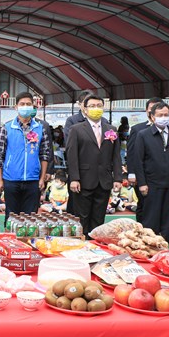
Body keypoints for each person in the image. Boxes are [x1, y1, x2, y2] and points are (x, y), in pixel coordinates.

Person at [65, 94, 122, 234]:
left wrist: (118, 178)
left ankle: (96, 247)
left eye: (99, 106)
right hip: (83, 180)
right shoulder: (77, 129)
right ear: (85, 109)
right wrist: (74, 178)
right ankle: (82, 247)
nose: (96, 108)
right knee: (82, 217)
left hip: (104, 180)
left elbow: (116, 156)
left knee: (99, 218)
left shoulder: (111, 130)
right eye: (92, 106)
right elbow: (72, 156)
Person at [0, 92, 51, 225]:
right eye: (22, 104)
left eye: (28, 104)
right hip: (11, 179)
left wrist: (42, 178)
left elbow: (45, 154)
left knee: (30, 218)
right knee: (11, 217)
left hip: (33, 179)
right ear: (16, 107)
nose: (25, 107)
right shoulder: (7, 127)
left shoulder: (40, 128)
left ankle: (28, 243)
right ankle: (10, 243)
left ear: (33, 107)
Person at [133, 102, 169, 241]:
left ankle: (163, 246)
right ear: (152, 116)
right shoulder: (143, 135)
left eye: (166, 115)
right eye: (160, 115)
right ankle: (149, 244)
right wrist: (142, 183)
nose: (164, 117)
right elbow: (138, 161)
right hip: (151, 183)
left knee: (166, 219)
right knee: (151, 218)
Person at [125, 96, 162, 222]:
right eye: (151, 108)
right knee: (144, 204)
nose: (154, 111)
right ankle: (141, 231)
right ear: (146, 111)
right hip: (142, 175)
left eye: (157, 108)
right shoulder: (137, 129)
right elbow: (131, 152)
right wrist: (131, 173)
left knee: (159, 206)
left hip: (160, 176)